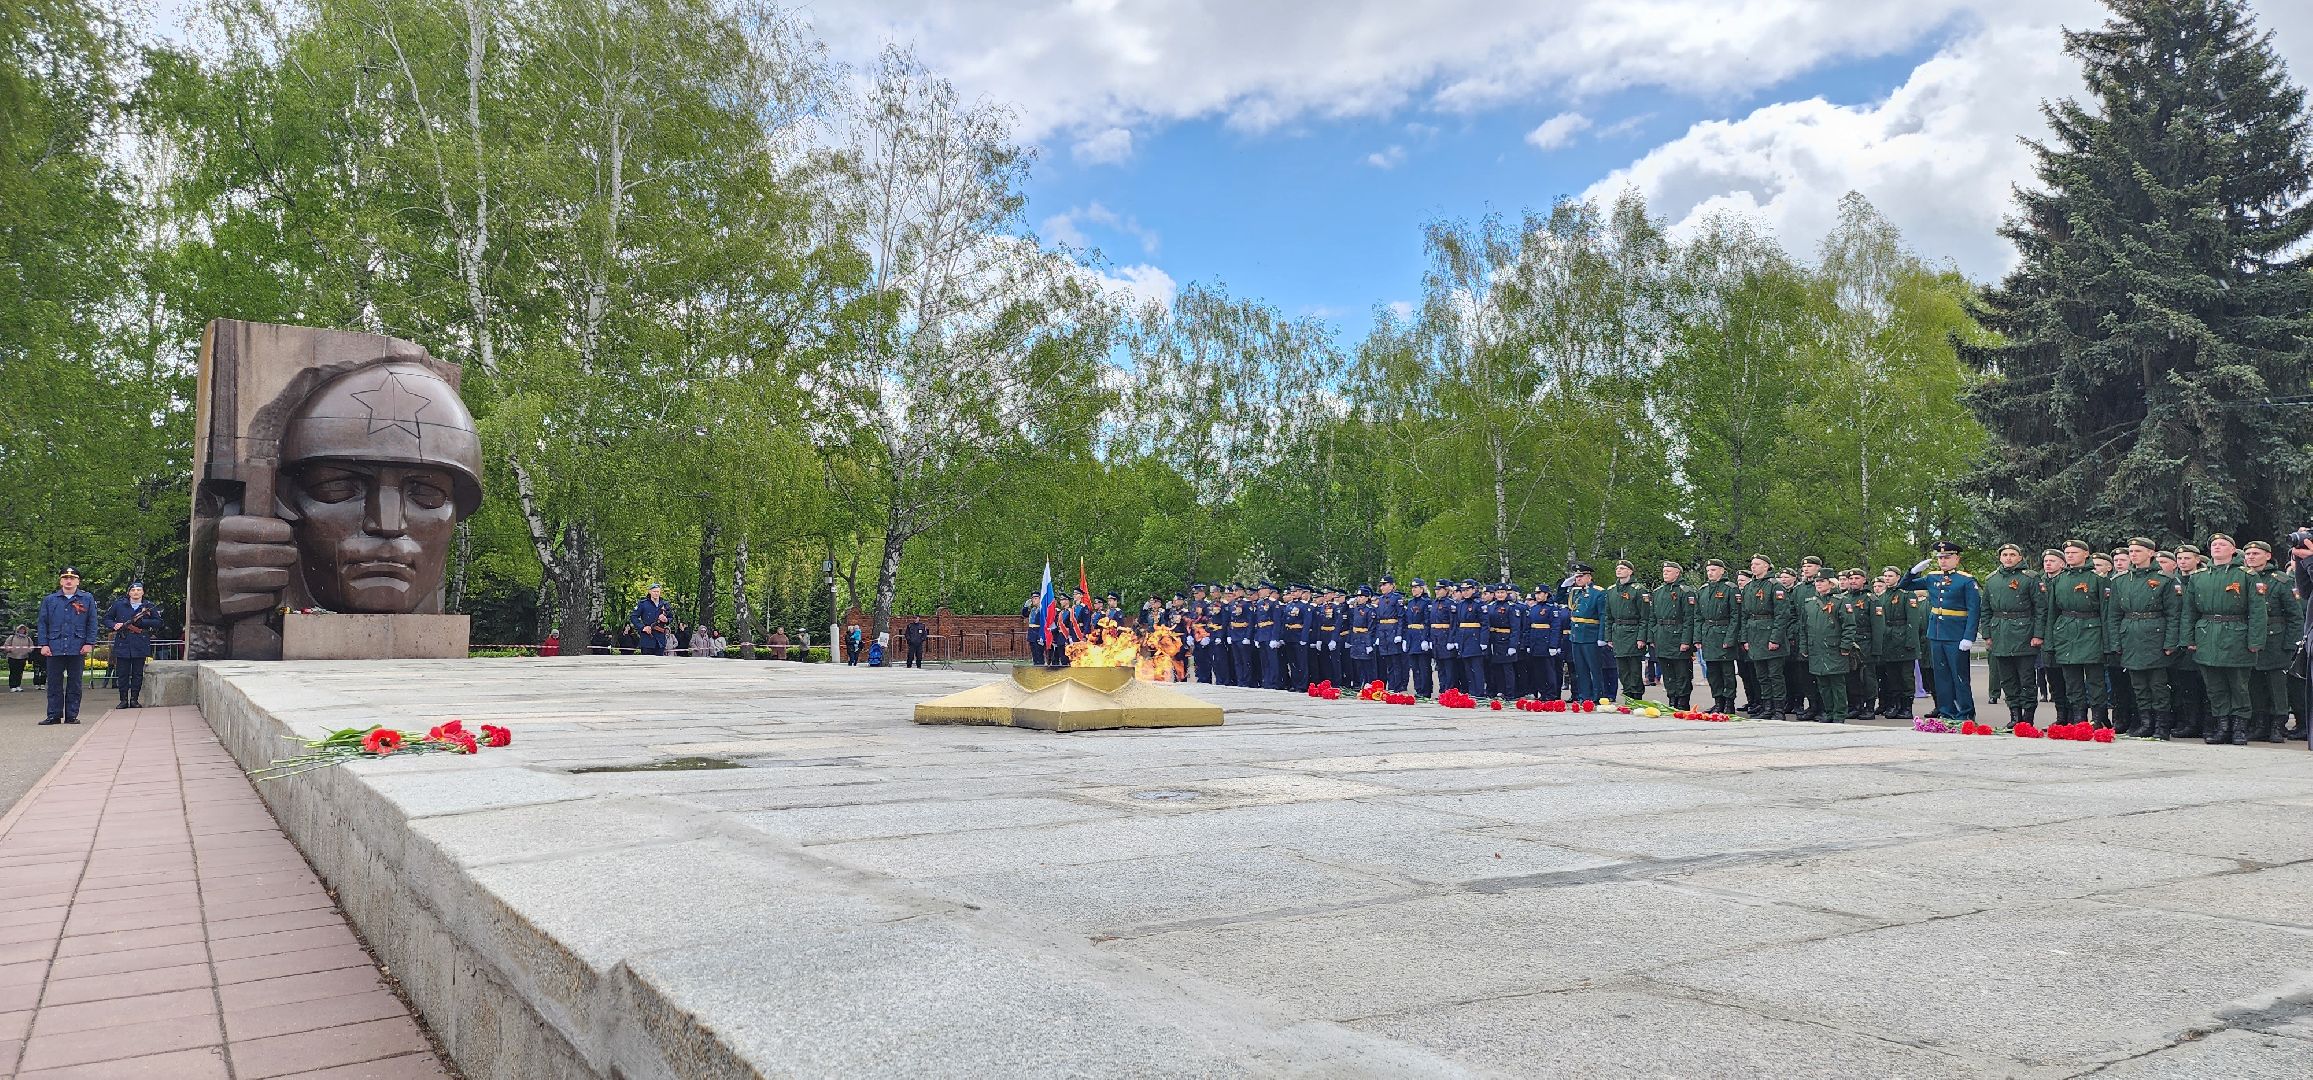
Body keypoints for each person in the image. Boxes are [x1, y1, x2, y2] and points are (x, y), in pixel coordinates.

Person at [1900, 541, 1980, 727]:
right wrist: (1913, 571)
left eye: (1947, 557)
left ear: (1957, 559)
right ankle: (1946, 711)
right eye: (1940, 558)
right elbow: (1905, 586)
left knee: (1959, 675)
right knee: (1941, 675)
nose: (1943, 561)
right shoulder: (1932, 577)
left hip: (1956, 634)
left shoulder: (1966, 580)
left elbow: (1974, 610)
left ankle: (1966, 712)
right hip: (1936, 633)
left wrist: (1969, 636)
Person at [2107, 539, 2179, 739]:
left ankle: (2162, 725)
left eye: (2138, 551)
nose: (2133, 554)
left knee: (2158, 684)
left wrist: (2170, 642)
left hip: (2155, 634)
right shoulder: (2120, 581)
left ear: (2151, 553)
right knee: (2138, 684)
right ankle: (2146, 722)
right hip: (2130, 634)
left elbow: (2173, 614)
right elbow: (2113, 615)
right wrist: (2115, 642)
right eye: (2131, 551)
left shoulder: (2165, 579)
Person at [2046, 540, 2110, 728]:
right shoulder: (2059, 579)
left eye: (2074, 552)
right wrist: (2049, 642)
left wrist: (2108, 644)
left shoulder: (2098, 578)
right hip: (2066, 632)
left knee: (2095, 680)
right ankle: (2078, 718)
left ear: (2086, 554)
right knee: (2072, 680)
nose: (2070, 555)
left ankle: (2098, 719)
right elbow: (2052, 612)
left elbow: (2106, 613)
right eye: (2067, 552)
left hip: (2091, 630)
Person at [2245, 541, 2296, 743]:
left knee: (2277, 686)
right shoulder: (2243, 577)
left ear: (2267, 556)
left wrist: (2291, 643)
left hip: (2275, 639)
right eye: (2247, 553)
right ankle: (2260, 724)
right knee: (2254, 684)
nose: (2250, 557)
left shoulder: (2280, 581)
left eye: (2255, 553)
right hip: (2249, 639)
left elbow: (2294, 615)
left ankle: (2278, 725)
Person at [1795, 570, 1861, 723]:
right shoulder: (1809, 602)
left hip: (1834, 647)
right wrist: (1804, 647)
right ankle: (1828, 711)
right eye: (1817, 581)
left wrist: (1845, 646)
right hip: (1815, 648)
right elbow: (1803, 627)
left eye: (1822, 581)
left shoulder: (1840, 601)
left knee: (1837, 683)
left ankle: (1839, 714)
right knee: (1822, 683)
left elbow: (1849, 626)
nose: (1818, 584)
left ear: (1831, 583)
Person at [36, 567, 100, 724]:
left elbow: (92, 622)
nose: (69, 581)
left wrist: (89, 642)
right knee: (53, 684)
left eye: (72, 578)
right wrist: (43, 644)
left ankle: (72, 715)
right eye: (65, 578)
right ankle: (54, 715)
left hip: (77, 647)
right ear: (60, 581)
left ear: (78, 581)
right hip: (55, 646)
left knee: (75, 683)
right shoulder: (50, 600)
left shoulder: (86, 598)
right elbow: (43, 623)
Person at [1738, 555, 1792, 719]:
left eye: (1757, 564)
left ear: (1767, 566)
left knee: (1775, 676)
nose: (1753, 567)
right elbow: (1745, 616)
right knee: (1761, 676)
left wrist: (1775, 639)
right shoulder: (1749, 587)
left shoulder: (1775, 586)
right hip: (1754, 635)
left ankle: (1778, 710)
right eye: (1752, 564)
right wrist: (1744, 638)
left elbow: (1782, 615)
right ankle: (1766, 707)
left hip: (1770, 634)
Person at [1649, 561, 1698, 710]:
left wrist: (1686, 641)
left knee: (1682, 673)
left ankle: (1683, 702)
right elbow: (1652, 617)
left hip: (1678, 635)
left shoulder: (1686, 591)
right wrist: (1652, 637)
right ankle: (1672, 699)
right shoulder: (1658, 592)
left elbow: (1690, 619)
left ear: (1677, 573)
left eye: (1669, 571)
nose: (1665, 573)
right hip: (1662, 636)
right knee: (1667, 672)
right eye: (1664, 571)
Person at [1872, 567, 1919, 719]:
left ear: (1898, 577)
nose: (1887, 578)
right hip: (1888, 640)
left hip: (1904, 639)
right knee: (1892, 677)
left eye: (1890, 576)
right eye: (1885, 576)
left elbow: (1913, 620)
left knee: (1906, 677)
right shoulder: (1882, 596)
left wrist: (1911, 641)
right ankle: (1895, 705)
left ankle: (1907, 708)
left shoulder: (1906, 595)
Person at [106, 582, 162, 709]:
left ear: (143, 592)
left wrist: (143, 622)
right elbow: (107, 619)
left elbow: (158, 622)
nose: (136, 592)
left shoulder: (148, 607)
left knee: (137, 673)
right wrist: (115, 625)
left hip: (139, 641)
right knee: (122, 673)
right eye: (133, 590)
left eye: (139, 590)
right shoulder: (119, 605)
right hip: (123, 642)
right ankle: (123, 700)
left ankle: (134, 699)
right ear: (129, 592)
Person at [1604, 561, 1648, 701]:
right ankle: (1628, 694)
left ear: (1630, 571)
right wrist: (1608, 637)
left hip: (1633, 631)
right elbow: (1608, 616)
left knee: (1634, 668)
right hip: (1618, 632)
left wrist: (1641, 637)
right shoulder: (1611, 590)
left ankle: (1636, 696)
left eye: (1622, 568)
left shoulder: (1638, 589)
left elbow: (1645, 617)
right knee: (1622, 669)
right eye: (1617, 568)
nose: (1619, 570)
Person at [631, 585, 672, 656]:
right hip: (647, 639)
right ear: (650, 592)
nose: (656, 593)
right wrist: (643, 627)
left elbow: (671, 617)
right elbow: (633, 617)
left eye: (658, 591)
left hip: (660, 640)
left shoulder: (665, 604)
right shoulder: (643, 604)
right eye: (654, 591)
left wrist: (666, 620)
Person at [5, 624, 35, 692]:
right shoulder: (12, 637)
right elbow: (6, 645)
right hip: (12, 657)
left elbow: (32, 646)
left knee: (20, 672)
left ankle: (18, 685)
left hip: (23, 657)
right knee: (13, 672)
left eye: (23, 629)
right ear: (18, 630)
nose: (22, 630)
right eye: (21, 629)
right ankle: (12, 686)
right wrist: (10, 649)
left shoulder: (28, 638)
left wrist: (28, 650)